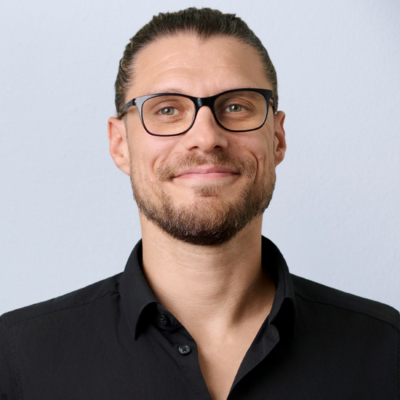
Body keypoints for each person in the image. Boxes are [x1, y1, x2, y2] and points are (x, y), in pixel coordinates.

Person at [0, 7, 399, 400]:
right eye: (167, 110)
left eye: (236, 106)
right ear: (120, 144)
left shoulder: (385, 350)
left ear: (277, 138)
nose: (206, 138)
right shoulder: (19, 358)